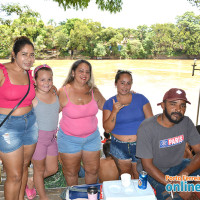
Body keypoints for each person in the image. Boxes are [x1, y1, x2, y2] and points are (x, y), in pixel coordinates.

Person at [136, 88, 200, 200]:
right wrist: (175, 185)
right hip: (155, 173)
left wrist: (185, 173)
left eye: (183, 105)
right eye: (173, 104)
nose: (178, 109)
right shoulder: (146, 128)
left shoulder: (186, 122)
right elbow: (148, 166)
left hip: (178, 166)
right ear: (162, 105)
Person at [0, 36, 38, 200]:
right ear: (14, 54)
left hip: (30, 124)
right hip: (8, 127)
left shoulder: (29, 73)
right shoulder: (2, 71)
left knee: (24, 168)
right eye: (24, 54)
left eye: (32, 55)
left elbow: (31, 98)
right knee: (14, 175)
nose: (29, 59)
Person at [58, 59, 105, 186]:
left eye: (87, 72)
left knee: (93, 171)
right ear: (73, 73)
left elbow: (107, 107)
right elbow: (51, 112)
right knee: (71, 172)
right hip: (69, 140)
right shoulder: (63, 92)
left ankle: (91, 196)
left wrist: (127, 96)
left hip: (92, 138)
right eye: (81, 71)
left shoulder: (93, 91)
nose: (84, 74)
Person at [103, 70, 153, 179]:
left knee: (139, 175)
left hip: (140, 145)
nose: (125, 86)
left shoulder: (141, 99)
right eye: (122, 83)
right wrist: (114, 111)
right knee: (125, 176)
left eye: (128, 83)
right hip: (119, 146)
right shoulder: (109, 103)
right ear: (116, 83)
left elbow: (151, 123)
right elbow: (107, 129)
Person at [29, 64, 59, 199]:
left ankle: (31, 181)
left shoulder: (54, 93)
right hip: (38, 139)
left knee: (53, 169)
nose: (46, 83)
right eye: (42, 80)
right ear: (35, 81)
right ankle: (43, 196)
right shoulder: (32, 97)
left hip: (52, 138)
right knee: (39, 170)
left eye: (49, 79)